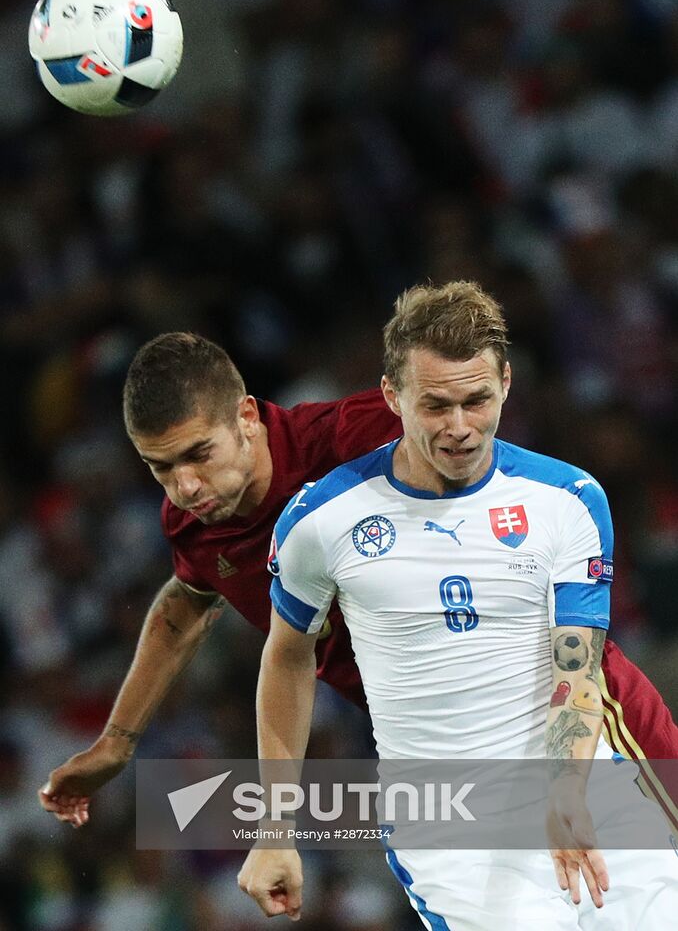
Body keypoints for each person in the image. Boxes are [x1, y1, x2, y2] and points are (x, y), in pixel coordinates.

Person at [38, 329, 678, 831]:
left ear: (247, 418)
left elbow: (488, 459)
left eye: (198, 454)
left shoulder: (357, 438)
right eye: (160, 467)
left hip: (562, 706)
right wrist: (119, 741)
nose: (184, 487)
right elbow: (186, 602)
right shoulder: (195, 525)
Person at [238, 281, 678, 930]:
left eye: (477, 400)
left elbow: (578, 668)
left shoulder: (568, 500)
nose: (460, 427)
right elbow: (287, 658)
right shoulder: (321, 521)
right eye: (435, 405)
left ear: (506, 381)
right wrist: (274, 829)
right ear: (392, 396)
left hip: (590, 787)